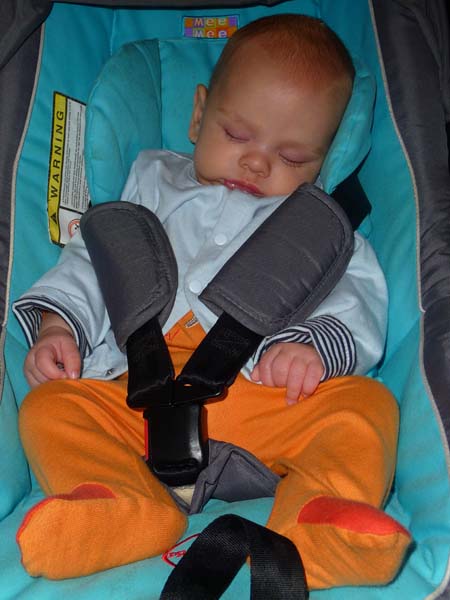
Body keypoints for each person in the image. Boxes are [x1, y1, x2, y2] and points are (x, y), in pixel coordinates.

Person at [13, 14, 411, 589]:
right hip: (133, 393)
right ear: (199, 115)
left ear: (324, 161)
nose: (257, 162)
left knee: (367, 407)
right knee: (49, 408)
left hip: (261, 395)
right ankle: (123, 505)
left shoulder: (317, 225)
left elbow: (357, 294)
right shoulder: (150, 182)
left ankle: (316, 523)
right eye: (238, 135)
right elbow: (97, 263)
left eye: (292, 157)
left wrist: (311, 347)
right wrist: (59, 326)